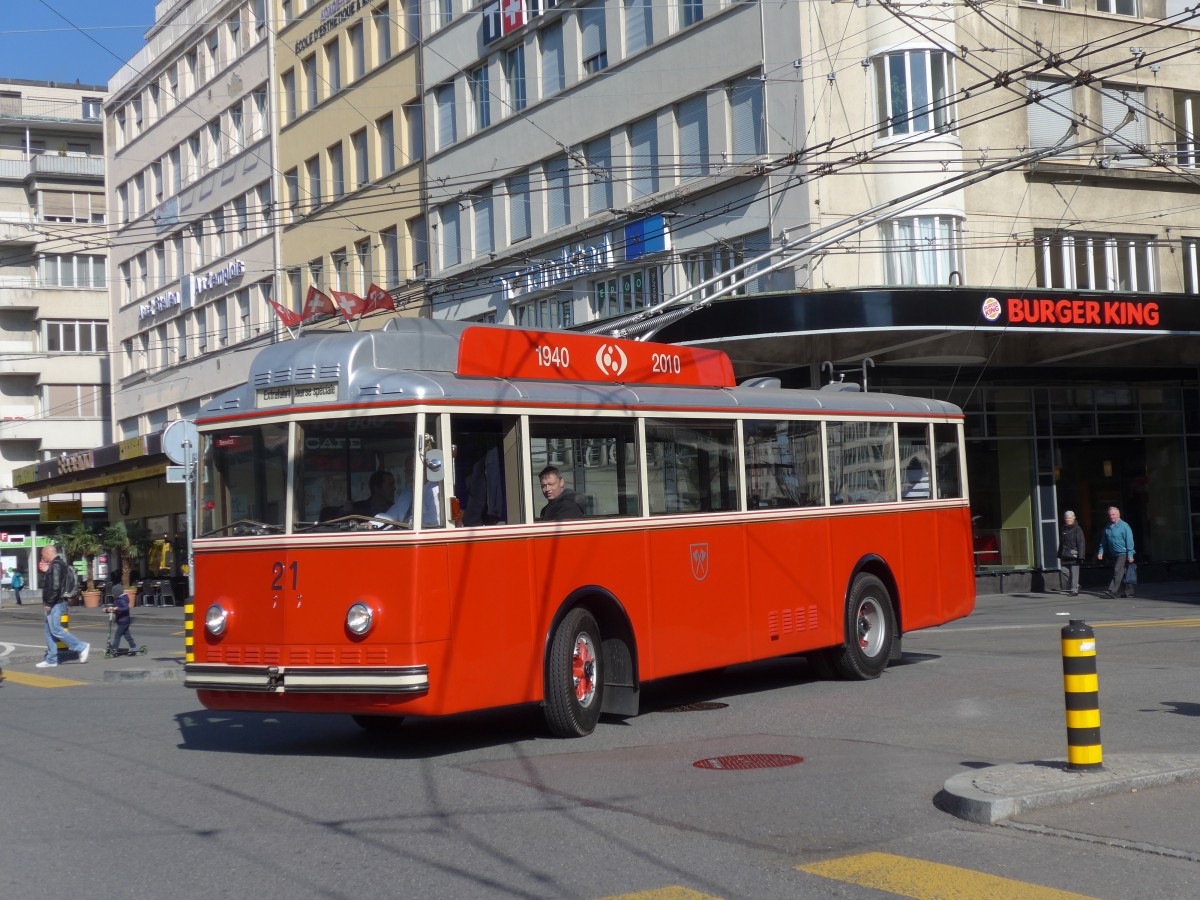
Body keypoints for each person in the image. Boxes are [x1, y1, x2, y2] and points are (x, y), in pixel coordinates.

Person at [36, 545, 89, 668]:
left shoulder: (56, 566)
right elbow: (55, 583)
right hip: (57, 601)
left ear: (48, 553)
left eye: (42, 555)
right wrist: (46, 572)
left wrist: (49, 603)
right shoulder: (58, 565)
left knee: (55, 630)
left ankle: (81, 646)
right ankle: (51, 659)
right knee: (49, 632)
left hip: (56, 603)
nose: (42, 558)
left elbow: (55, 587)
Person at [1097, 505, 1135, 599]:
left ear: (1118, 515)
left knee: (1117, 570)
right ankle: (1129, 591)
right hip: (1114, 553)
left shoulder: (1124, 526)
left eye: (1113, 515)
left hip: (1123, 552)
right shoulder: (1108, 527)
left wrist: (1130, 554)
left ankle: (1112, 591)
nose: (1111, 517)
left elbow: (1129, 541)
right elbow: (1103, 541)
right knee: (1123, 572)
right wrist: (1101, 551)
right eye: (1110, 515)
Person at [105, 575, 138, 655]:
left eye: (113, 593)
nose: (112, 595)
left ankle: (114, 649)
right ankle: (134, 648)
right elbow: (115, 607)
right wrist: (108, 610)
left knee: (117, 636)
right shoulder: (118, 599)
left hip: (124, 621)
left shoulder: (122, 599)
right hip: (122, 620)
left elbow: (126, 608)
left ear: (117, 593)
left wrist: (117, 609)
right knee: (127, 636)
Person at [1057, 510, 1085, 596]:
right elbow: (1061, 542)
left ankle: (1074, 590)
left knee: (1074, 573)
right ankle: (1075, 586)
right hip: (1065, 554)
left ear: (1074, 518)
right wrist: (1059, 553)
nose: (1068, 519)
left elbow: (1081, 542)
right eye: (1066, 518)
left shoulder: (1077, 529)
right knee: (1064, 571)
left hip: (1074, 555)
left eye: (1070, 518)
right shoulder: (1063, 528)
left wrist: (1081, 556)